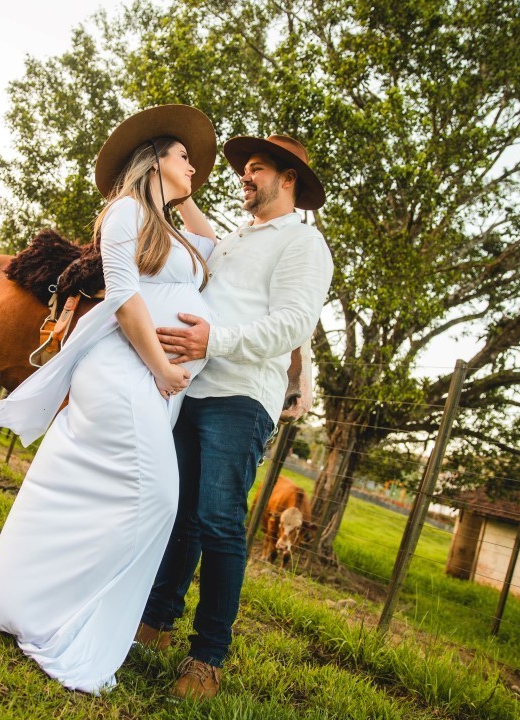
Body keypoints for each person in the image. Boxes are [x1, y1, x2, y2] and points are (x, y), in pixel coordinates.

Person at [0, 105, 220, 694]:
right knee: (157, 499)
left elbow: (212, 242)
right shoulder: (125, 212)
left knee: (90, 494)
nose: (194, 167)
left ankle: (36, 603)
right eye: (184, 156)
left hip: (152, 384)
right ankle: (65, 617)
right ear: (154, 160)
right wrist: (164, 368)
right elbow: (125, 299)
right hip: (124, 373)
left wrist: (182, 191)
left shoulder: (173, 232)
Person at [136, 134, 334, 700]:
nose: (245, 177)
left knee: (219, 519)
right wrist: (175, 193)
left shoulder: (303, 242)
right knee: (180, 513)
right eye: (245, 169)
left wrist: (214, 341)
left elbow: (293, 324)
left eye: (257, 168)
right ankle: (156, 622)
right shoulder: (236, 240)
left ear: (288, 179)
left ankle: (207, 658)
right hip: (193, 389)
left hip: (242, 396)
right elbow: (198, 250)